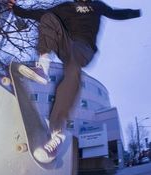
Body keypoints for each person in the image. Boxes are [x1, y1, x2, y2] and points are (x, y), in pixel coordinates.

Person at [8, 0, 141, 163]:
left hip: (84, 49)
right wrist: (16, 9)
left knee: (73, 67)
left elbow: (116, 13)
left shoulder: (97, 6)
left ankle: (57, 133)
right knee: (48, 17)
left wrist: (137, 12)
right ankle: (42, 67)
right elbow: (39, 14)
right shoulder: (66, 7)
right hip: (65, 45)